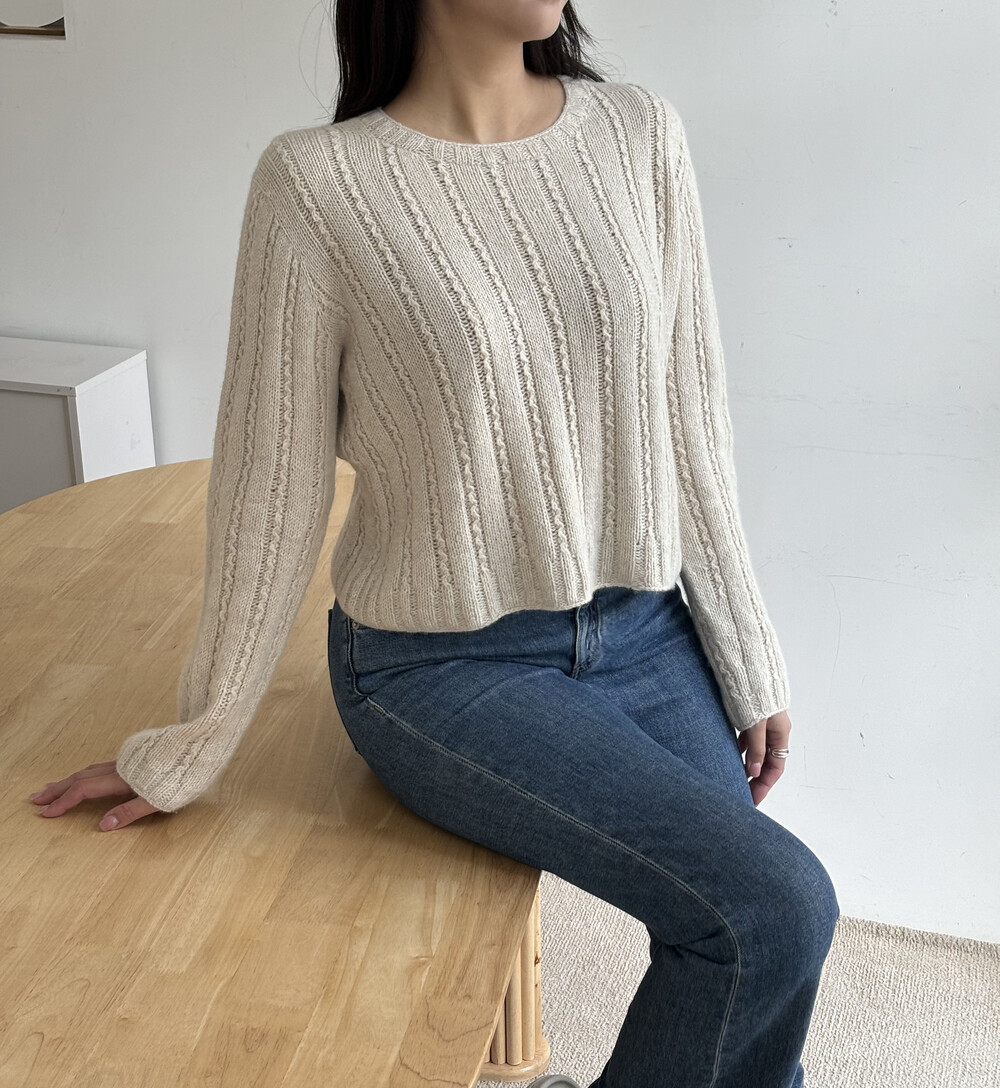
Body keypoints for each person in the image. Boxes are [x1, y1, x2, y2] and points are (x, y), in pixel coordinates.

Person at [29, 2, 840, 1086]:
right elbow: (271, 480)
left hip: (647, 629)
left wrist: (746, 650)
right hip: (440, 668)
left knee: (748, 929)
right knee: (777, 907)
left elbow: (687, 417)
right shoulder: (318, 186)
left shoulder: (639, 133)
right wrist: (195, 738)